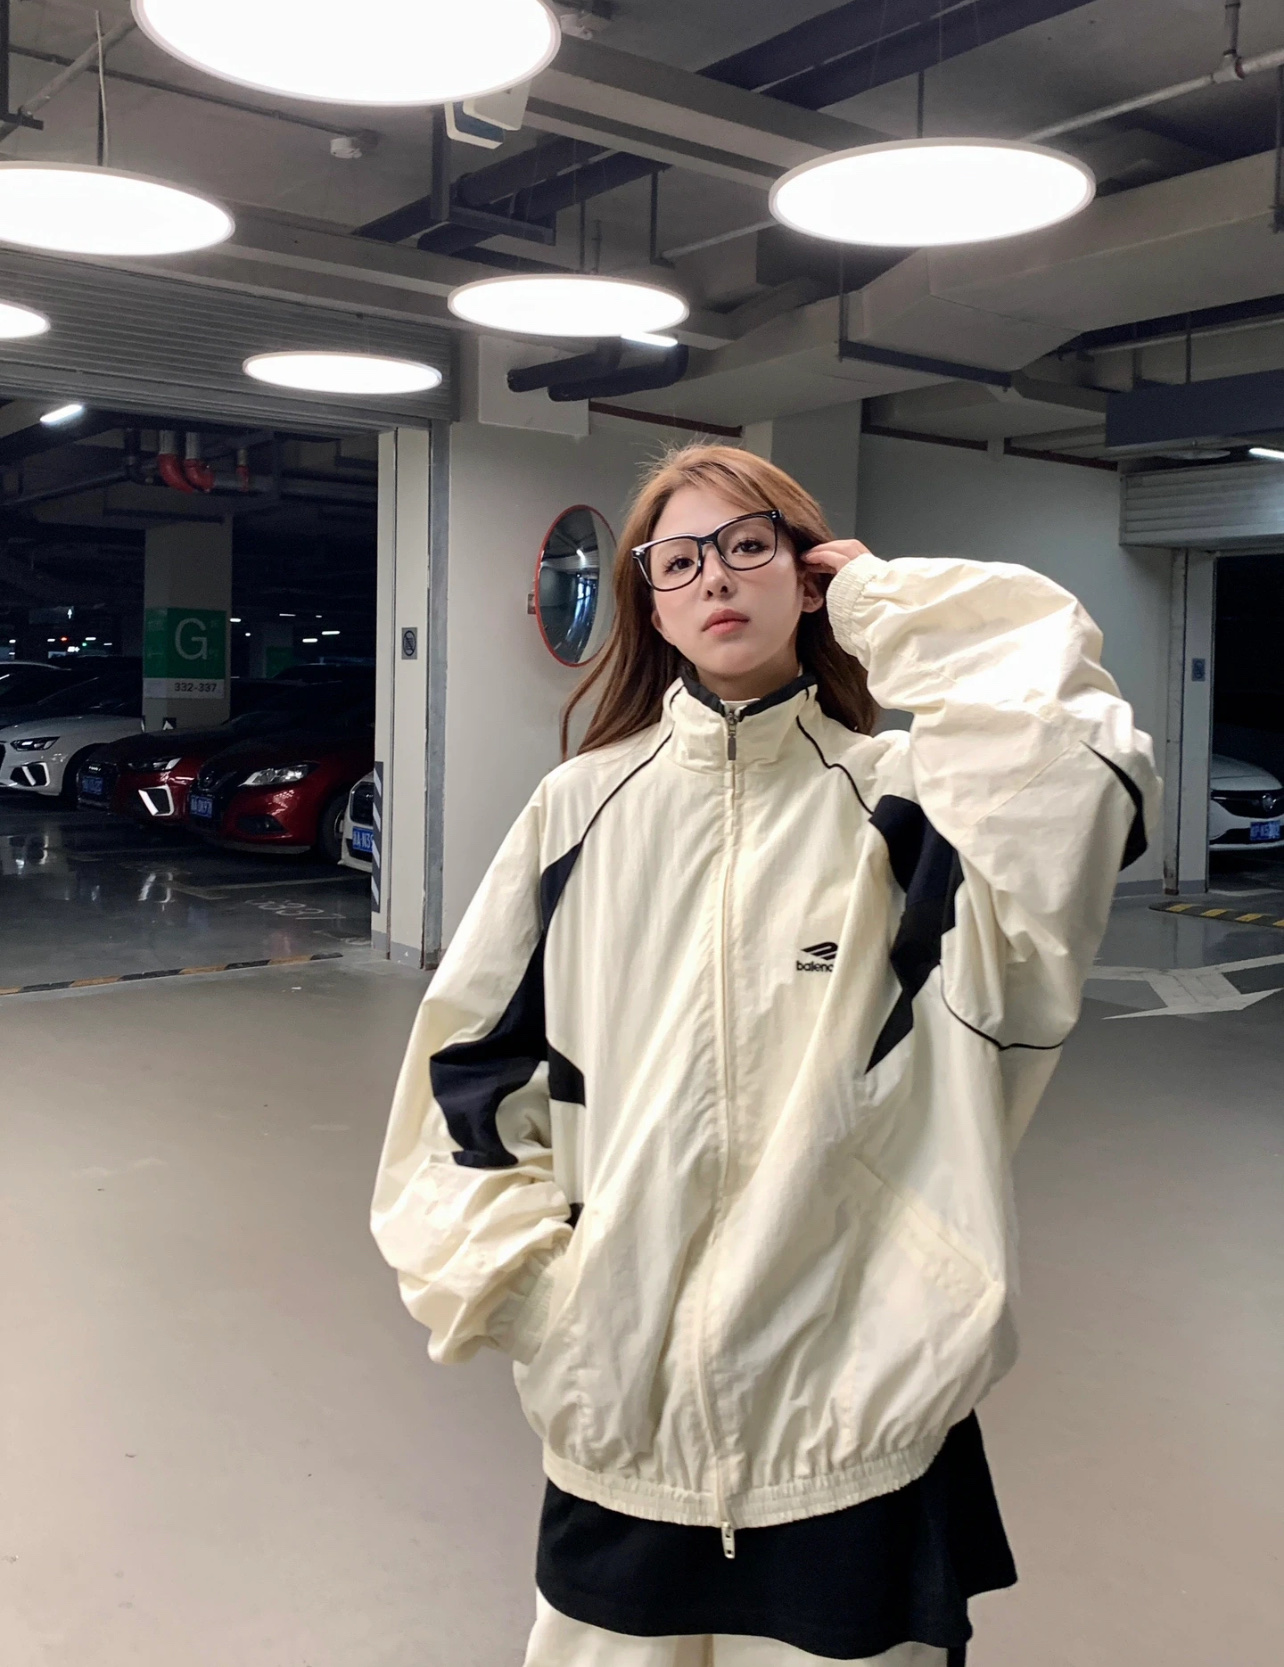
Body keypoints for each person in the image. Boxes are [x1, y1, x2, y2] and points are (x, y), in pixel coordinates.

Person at [372, 444, 1159, 1667]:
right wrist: (551, 1302)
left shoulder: (914, 808)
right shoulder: (577, 810)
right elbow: (458, 1085)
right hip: (625, 1425)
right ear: (650, 603)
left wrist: (885, 603)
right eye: (677, 560)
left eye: (749, 545)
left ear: (808, 574)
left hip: (861, 1419)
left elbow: (1078, 761)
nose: (715, 577)